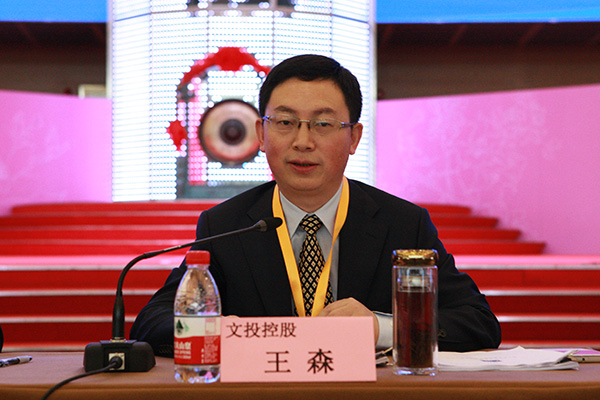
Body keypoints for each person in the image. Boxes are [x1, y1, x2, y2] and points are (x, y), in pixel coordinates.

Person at [130, 54, 501, 357]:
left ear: (353, 137)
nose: (303, 141)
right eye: (286, 122)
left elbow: (477, 322)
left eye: (323, 124)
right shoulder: (226, 225)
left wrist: (380, 327)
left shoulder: (403, 224)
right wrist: (221, 331)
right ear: (261, 134)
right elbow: (153, 322)